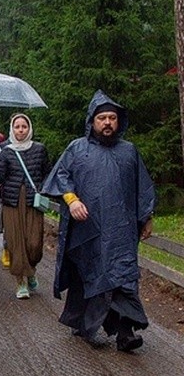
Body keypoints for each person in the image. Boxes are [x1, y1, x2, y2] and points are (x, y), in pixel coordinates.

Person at [42, 91, 155, 352]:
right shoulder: (76, 149)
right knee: (92, 275)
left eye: (112, 118)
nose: (107, 123)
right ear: (92, 121)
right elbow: (60, 178)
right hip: (88, 230)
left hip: (122, 231)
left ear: (119, 121)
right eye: (102, 117)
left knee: (123, 277)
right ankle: (87, 324)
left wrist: (146, 217)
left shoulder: (129, 152)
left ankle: (125, 334)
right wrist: (72, 201)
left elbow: (143, 188)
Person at [0, 113, 51, 299]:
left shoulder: (40, 149)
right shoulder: (6, 151)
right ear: (12, 130)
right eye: (17, 127)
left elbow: (48, 173)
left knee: (34, 244)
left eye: (24, 126)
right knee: (16, 243)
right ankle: (21, 282)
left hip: (33, 201)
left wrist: (42, 189)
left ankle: (30, 269)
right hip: (12, 201)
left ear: (29, 128)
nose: (21, 130)